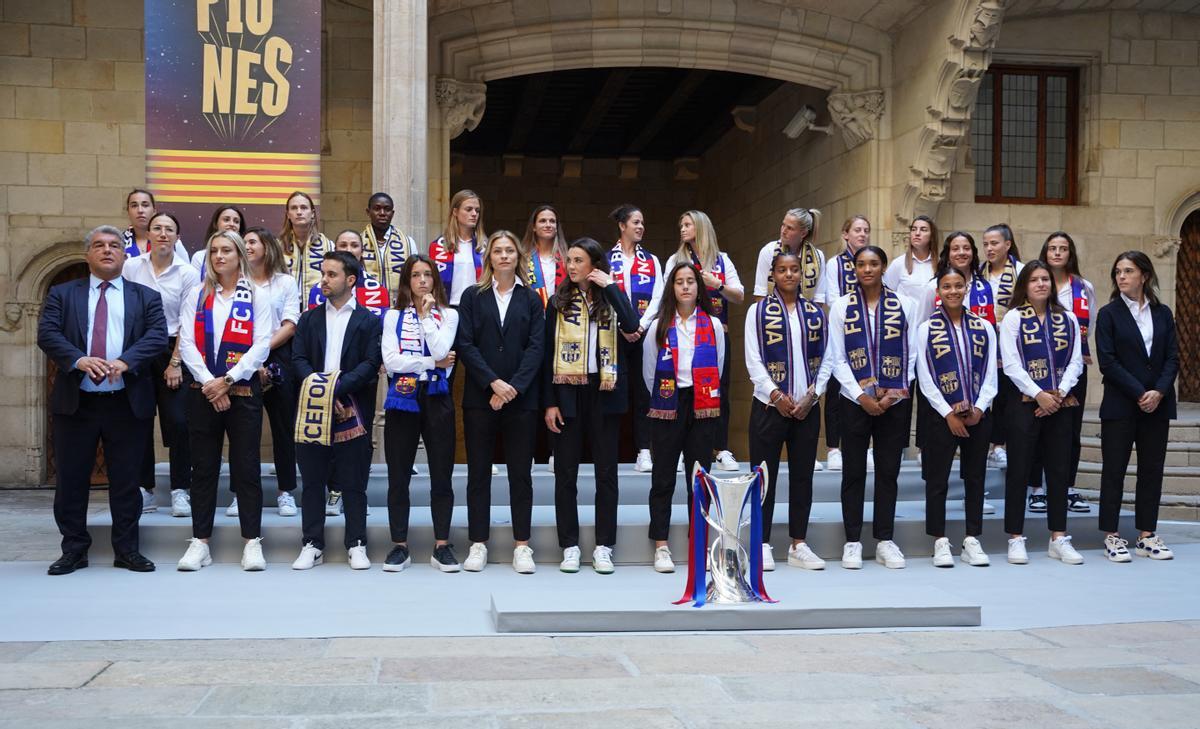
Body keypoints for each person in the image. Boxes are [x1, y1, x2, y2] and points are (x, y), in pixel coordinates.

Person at [38, 225, 167, 575]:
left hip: (126, 402)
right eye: (99, 245)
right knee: (71, 480)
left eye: (114, 246)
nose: (107, 250)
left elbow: (157, 336)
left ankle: (126, 550)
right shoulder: (63, 294)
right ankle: (74, 550)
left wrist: (127, 362)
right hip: (76, 403)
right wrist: (79, 360)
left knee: (127, 482)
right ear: (88, 254)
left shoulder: (145, 296)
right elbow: (47, 334)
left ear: (124, 255)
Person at [176, 231, 273, 572]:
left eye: (226, 250)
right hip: (203, 393)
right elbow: (186, 343)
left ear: (239, 256)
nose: (219, 256)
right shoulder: (196, 295)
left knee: (246, 468)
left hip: (243, 392)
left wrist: (229, 380)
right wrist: (210, 383)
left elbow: (262, 344)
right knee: (202, 468)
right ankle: (200, 542)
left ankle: (252, 542)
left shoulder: (257, 296)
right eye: (214, 250)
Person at [543, 237, 640, 574]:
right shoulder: (557, 301)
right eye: (568, 260)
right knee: (565, 474)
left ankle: (603, 545)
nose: (571, 266)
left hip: (605, 391)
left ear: (594, 265)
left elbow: (632, 325)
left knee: (606, 474)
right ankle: (569, 545)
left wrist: (611, 286)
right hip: (568, 392)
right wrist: (549, 403)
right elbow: (546, 355)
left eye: (578, 260)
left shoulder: (611, 296)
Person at [455, 230, 545, 573]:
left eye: (510, 251)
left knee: (521, 474)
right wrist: (493, 383)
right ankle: (478, 543)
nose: (504, 256)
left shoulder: (532, 299)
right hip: (481, 399)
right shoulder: (472, 296)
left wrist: (513, 388)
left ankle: (522, 545)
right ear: (488, 257)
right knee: (478, 473)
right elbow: (466, 344)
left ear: (518, 257)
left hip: (521, 401)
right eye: (498, 251)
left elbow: (537, 348)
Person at [825, 245, 920, 570]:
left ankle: (885, 539)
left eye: (874, 264)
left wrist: (892, 394)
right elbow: (836, 358)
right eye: (861, 264)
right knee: (853, 472)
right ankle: (852, 541)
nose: (867, 269)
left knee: (888, 472)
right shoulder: (840, 307)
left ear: (882, 268)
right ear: (854, 269)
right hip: (854, 403)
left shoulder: (906, 304)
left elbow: (912, 354)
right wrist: (861, 395)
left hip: (894, 402)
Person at [291, 251, 383, 570]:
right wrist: (323, 392)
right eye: (323, 273)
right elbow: (298, 360)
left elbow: (370, 365)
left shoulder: (369, 321)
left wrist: (335, 391)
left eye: (331, 274)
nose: (324, 280)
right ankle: (312, 544)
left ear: (350, 280)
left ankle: (356, 543)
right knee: (313, 480)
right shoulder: (309, 318)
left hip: (353, 407)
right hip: (313, 409)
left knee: (353, 480)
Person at [744, 249, 830, 571]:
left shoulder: (815, 313)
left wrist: (812, 395)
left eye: (795, 269)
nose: (790, 275)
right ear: (773, 275)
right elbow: (753, 360)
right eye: (783, 270)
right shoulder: (757, 312)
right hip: (769, 407)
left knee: (803, 476)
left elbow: (827, 359)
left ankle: (799, 544)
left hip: (806, 409)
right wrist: (776, 395)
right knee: (764, 477)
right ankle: (762, 542)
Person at [999, 261, 1085, 565]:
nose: (1040, 284)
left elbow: (1076, 360)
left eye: (1045, 279)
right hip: (1025, 405)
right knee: (1020, 470)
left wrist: (1058, 393)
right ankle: (1015, 537)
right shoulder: (1013, 318)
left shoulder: (1068, 318)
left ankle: (1058, 537)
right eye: (1034, 279)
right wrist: (1039, 395)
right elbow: (1010, 364)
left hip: (1060, 404)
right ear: (1025, 284)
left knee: (1059, 471)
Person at [642, 262, 726, 573]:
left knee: (699, 478)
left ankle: (699, 543)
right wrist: (665, 397)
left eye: (691, 281)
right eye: (680, 282)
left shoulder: (713, 326)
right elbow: (649, 371)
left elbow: (718, 366)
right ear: (672, 288)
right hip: (667, 401)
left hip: (702, 404)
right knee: (662, 476)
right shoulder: (659, 326)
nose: (686, 287)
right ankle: (661, 545)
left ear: (698, 287)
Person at [1096, 251, 1179, 562]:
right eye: (1118, 271)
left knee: (1151, 470)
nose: (1121, 276)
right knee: (1114, 470)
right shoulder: (1109, 314)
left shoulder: (1163, 312)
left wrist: (1158, 391)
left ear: (1144, 275)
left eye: (1128, 271)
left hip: (1157, 404)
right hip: (1121, 403)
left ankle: (1147, 534)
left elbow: (1172, 357)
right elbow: (1108, 362)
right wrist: (1140, 392)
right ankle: (1112, 535)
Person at [381, 254, 460, 572]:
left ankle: (442, 544)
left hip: (437, 396)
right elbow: (391, 361)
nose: (423, 280)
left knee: (442, 473)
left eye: (428, 274)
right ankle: (399, 544)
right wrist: (430, 364)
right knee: (397, 474)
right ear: (407, 281)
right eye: (416, 275)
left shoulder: (449, 315)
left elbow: (443, 350)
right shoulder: (391, 316)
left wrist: (427, 318)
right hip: (402, 396)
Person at [916, 266, 998, 568]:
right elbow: (924, 377)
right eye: (947, 286)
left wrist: (979, 408)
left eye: (958, 286)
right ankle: (939, 540)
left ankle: (972, 538)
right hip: (942, 417)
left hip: (978, 415)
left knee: (975, 478)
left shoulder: (983, 327)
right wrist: (948, 413)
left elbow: (991, 373)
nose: (953, 291)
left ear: (967, 288)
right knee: (937, 480)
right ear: (938, 291)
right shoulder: (926, 329)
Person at [121, 212, 200, 518]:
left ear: (177, 238)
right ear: (148, 234)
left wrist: (176, 362)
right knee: (139, 419)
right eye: (158, 228)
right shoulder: (130, 267)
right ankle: (145, 489)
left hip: (172, 349)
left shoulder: (187, 274)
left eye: (170, 229)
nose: (163, 233)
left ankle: (181, 489)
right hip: (138, 351)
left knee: (179, 422)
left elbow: (188, 322)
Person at [665, 210, 743, 472]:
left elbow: (739, 295)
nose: (682, 229)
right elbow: (665, 296)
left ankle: (721, 449)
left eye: (687, 224)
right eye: (680, 224)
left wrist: (716, 284)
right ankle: (677, 450)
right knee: (678, 389)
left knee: (718, 391)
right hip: (680, 335)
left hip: (715, 335)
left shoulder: (722, 260)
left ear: (700, 227)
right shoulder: (676, 260)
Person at [1030, 232, 1096, 515]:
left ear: (1071, 254)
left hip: (1072, 367)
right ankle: (1036, 489)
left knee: (1071, 429)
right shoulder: (1036, 282)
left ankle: (1067, 487)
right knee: (1036, 428)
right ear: (1045, 252)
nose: (1057, 253)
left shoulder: (1083, 287)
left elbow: (1087, 325)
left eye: (1063, 248)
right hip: (1038, 370)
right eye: (1053, 248)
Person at [240, 227, 301, 518]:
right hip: (240, 357)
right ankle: (241, 491)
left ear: (267, 246)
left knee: (283, 426)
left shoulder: (286, 283)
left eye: (252, 241)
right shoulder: (236, 282)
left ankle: (286, 490)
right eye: (245, 242)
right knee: (242, 428)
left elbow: (290, 325)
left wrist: (261, 353)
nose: (247, 246)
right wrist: (250, 360)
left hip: (278, 356)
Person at [608, 204, 665, 473]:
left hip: (643, 335)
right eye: (635, 222)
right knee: (614, 391)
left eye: (642, 223)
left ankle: (644, 451)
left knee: (644, 393)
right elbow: (605, 296)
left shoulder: (651, 261)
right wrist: (623, 325)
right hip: (615, 335)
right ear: (622, 225)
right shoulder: (607, 259)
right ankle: (611, 450)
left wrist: (639, 325)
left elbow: (659, 297)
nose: (640, 227)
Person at [815, 215, 872, 472]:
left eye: (866, 230)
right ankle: (834, 448)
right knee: (837, 388)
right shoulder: (835, 263)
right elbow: (833, 297)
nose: (862, 234)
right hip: (842, 330)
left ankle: (867, 445)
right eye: (857, 230)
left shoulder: (872, 259)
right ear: (845, 234)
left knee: (868, 387)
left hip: (867, 334)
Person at [886, 216, 939, 462]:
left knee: (928, 394)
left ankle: (925, 446)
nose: (917, 233)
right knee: (903, 392)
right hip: (904, 339)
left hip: (931, 338)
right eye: (914, 229)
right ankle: (898, 447)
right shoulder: (899, 265)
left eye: (923, 229)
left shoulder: (939, 265)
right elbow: (887, 297)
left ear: (932, 235)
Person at [979, 223, 1024, 469]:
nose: (989, 248)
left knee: (1006, 393)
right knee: (985, 391)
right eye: (985, 244)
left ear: (1007, 244)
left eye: (994, 243)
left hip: (1011, 339)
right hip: (984, 339)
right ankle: (984, 443)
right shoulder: (978, 272)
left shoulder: (1021, 271)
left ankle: (999, 445)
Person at [306, 229, 391, 318]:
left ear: (362, 251)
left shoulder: (378, 291)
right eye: (343, 245)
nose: (349, 250)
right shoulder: (317, 290)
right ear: (335, 250)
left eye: (354, 246)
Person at [752, 207, 825, 301]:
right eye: (783, 225)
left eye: (790, 228)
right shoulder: (768, 251)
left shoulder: (818, 256)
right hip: (773, 313)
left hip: (806, 314)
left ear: (803, 233)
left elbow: (819, 297)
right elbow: (760, 293)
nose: (783, 231)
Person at [430, 189, 487, 307]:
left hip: (477, 308)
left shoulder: (484, 246)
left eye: (477, 210)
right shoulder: (439, 246)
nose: (474, 214)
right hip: (447, 308)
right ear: (455, 212)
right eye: (468, 209)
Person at [362, 192, 418, 295]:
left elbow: (414, 275)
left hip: (398, 305)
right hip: (368, 305)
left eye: (387, 209)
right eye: (377, 208)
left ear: (392, 213)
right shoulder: (358, 243)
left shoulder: (408, 243)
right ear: (368, 212)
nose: (382, 213)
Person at [279, 191, 332, 301]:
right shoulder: (277, 246)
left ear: (312, 213)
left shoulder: (328, 245)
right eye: (294, 208)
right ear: (288, 214)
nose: (299, 212)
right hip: (285, 309)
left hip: (318, 307)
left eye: (303, 208)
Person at [121, 189, 188, 260]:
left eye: (145, 205)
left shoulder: (171, 240)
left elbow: (186, 269)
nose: (140, 210)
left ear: (154, 211)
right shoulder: (119, 242)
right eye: (134, 206)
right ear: (128, 212)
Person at [523, 204, 568, 307]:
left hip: (560, 315)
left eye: (552, 221)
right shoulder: (523, 258)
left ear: (556, 227)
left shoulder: (567, 258)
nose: (548, 225)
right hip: (532, 315)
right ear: (534, 227)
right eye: (542, 221)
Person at [190, 204, 246, 273]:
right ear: (216, 224)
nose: (232, 224)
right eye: (226, 220)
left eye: (236, 221)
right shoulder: (200, 257)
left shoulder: (248, 256)